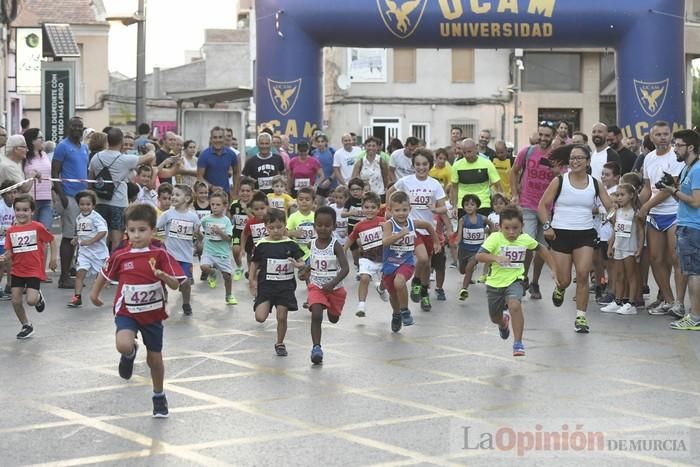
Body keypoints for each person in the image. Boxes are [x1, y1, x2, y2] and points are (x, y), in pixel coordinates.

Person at [90, 204, 185, 418]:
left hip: (152, 314)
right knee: (122, 344)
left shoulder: (160, 253)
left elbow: (175, 284)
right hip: (127, 311)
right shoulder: (121, 254)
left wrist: (163, 276)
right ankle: (130, 352)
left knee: (155, 360)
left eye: (142, 230)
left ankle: (159, 395)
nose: (136, 235)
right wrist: (94, 295)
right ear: (126, 231)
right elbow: (105, 275)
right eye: (132, 230)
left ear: (152, 230)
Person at [538, 144, 613, 334]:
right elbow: (543, 205)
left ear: (588, 162)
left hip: (585, 234)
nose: (575, 161)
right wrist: (547, 226)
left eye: (580, 158)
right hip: (561, 233)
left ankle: (581, 317)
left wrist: (613, 217)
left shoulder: (595, 183)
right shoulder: (559, 181)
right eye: (572, 158)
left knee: (582, 274)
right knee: (564, 279)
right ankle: (560, 288)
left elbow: (610, 206)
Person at [476, 206, 559, 356]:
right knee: (495, 317)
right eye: (507, 228)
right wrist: (496, 258)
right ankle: (503, 323)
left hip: (516, 280)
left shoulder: (524, 239)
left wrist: (553, 270)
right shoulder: (495, 238)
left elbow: (542, 249)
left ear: (522, 226)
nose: (511, 232)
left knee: (515, 305)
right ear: (500, 227)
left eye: (515, 228)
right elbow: (479, 256)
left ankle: (518, 343)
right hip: (495, 283)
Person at [388, 148, 448, 312]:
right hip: (411, 228)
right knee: (421, 259)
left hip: (429, 228)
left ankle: (424, 292)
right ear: (413, 165)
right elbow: (390, 192)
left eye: (424, 164)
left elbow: (444, 208)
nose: (421, 168)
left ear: (430, 165)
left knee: (427, 265)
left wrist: (436, 210)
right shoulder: (405, 181)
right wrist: (389, 210)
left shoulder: (435, 184)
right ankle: (415, 281)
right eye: (418, 164)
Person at [638, 121, 686, 317]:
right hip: (655, 217)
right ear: (651, 137)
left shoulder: (676, 156)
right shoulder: (648, 158)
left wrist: (646, 207)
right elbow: (647, 189)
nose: (663, 138)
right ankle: (667, 300)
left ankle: (679, 303)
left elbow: (670, 187)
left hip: (674, 212)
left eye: (666, 134)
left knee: (675, 259)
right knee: (655, 258)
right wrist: (635, 206)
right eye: (658, 134)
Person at [509, 121, 557, 300]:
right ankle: (523, 278)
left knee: (542, 248)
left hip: (548, 208)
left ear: (553, 137)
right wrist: (514, 194)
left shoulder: (557, 156)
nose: (543, 138)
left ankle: (535, 282)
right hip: (527, 205)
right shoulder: (527, 152)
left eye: (547, 135)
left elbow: (562, 179)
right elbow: (513, 171)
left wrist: (557, 170)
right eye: (541, 135)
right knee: (527, 244)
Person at [658, 128, 700, 330]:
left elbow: (695, 202)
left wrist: (673, 190)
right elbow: (682, 198)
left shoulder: (698, 169)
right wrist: (670, 189)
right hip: (685, 224)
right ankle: (694, 315)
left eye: (678, 145)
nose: (675, 149)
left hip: (693, 227)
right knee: (691, 271)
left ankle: (695, 316)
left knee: (694, 273)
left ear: (690, 147)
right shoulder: (686, 169)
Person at [249, 208, 306, 357]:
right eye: (271, 228)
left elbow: (301, 262)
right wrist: (252, 281)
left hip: (285, 287)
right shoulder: (261, 244)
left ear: (285, 226)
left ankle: (280, 343)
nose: (275, 231)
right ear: (266, 227)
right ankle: (265, 304)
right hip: (266, 286)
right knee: (260, 318)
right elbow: (254, 264)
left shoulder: (290, 244)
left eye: (279, 227)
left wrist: (299, 265)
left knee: (282, 316)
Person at [382, 191, 439, 332]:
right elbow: (385, 242)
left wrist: (436, 241)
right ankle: (396, 313)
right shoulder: (389, 225)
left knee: (399, 282)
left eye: (404, 210)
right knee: (393, 294)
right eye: (397, 210)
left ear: (410, 209)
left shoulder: (412, 223)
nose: (401, 213)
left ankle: (405, 311)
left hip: (406, 262)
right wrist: (399, 234)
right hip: (389, 264)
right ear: (390, 210)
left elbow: (428, 226)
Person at [89, 128, 155, 251]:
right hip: (118, 203)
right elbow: (149, 157)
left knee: (100, 238)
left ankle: (99, 266)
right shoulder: (126, 159)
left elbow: (90, 181)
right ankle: (113, 266)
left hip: (100, 202)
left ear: (107, 141)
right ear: (121, 142)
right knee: (116, 240)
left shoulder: (96, 157)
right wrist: (151, 148)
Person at [1, 194, 57, 339]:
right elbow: (9, 251)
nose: (21, 213)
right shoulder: (11, 231)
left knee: (31, 301)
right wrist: (4, 257)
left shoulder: (37, 227)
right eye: (18, 209)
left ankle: (38, 298)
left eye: (25, 210)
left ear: (32, 212)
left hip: (33, 270)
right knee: (15, 300)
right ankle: (26, 325)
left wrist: (53, 259)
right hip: (17, 270)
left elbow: (51, 240)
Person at [299, 206, 350, 364]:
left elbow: (346, 268)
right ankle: (316, 348)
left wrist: (333, 283)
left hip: (334, 289)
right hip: (316, 287)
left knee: (333, 319)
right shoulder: (311, 244)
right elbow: (313, 262)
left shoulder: (336, 246)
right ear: (314, 226)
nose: (323, 228)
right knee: (316, 314)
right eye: (319, 225)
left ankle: (332, 309)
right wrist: (306, 271)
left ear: (334, 226)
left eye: (327, 225)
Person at [52, 117, 89, 289]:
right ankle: (63, 277)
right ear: (68, 127)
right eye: (73, 126)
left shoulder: (84, 148)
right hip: (69, 196)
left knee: (77, 236)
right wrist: (62, 196)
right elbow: (55, 173)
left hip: (82, 197)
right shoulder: (62, 147)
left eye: (79, 126)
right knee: (68, 237)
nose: (76, 129)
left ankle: (70, 271)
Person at [157, 185, 201, 315]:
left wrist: (200, 235)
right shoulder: (167, 215)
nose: (173, 197)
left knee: (185, 283)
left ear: (187, 198)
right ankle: (163, 291)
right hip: (169, 256)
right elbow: (155, 228)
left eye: (177, 195)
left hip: (186, 257)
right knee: (162, 277)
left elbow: (199, 234)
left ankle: (186, 303)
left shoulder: (193, 217)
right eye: (173, 195)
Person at [601, 183, 644, 315]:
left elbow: (641, 231)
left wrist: (640, 248)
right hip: (618, 247)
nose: (619, 198)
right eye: (617, 195)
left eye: (622, 195)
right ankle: (618, 300)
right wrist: (610, 245)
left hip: (630, 248)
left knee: (631, 275)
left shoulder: (635, 213)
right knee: (619, 275)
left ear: (631, 195)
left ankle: (631, 303)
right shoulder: (617, 212)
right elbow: (615, 230)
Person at [345, 192, 388, 317]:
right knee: (364, 278)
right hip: (366, 257)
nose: (370, 210)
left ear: (378, 208)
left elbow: (390, 234)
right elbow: (351, 238)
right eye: (367, 207)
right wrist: (343, 250)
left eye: (373, 207)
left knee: (385, 280)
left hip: (382, 258)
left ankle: (381, 289)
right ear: (362, 208)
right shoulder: (359, 225)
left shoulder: (383, 221)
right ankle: (361, 306)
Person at [68, 190, 109, 308]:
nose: (85, 207)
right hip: (84, 253)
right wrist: (76, 239)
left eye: (88, 204)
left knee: (101, 277)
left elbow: (103, 231)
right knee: (80, 273)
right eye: (82, 204)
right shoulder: (79, 218)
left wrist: (91, 241)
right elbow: (80, 232)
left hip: (98, 253)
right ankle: (77, 297)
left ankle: (97, 295)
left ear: (93, 205)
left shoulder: (96, 218)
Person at [199, 191, 237, 305]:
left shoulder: (226, 221)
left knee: (227, 276)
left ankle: (229, 295)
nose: (214, 207)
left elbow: (228, 239)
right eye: (212, 204)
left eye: (218, 205)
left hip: (222, 253)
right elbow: (200, 231)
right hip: (209, 251)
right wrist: (199, 234)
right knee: (203, 266)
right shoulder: (206, 219)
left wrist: (220, 232)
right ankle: (212, 273)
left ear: (225, 206)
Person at [450, 138, 501, 217]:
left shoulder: (487, 163)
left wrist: (499, 205)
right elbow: (454, 188)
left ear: (476, 149)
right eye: (464, 152)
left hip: (483, 204)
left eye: (469, 151)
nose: (467, 155)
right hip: (463, 205)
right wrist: (454, 206)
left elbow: (497, 185)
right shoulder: (457, 165)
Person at [457, 194, 493, 300]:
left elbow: (491, 225)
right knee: (463, 270)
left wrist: (491, 234)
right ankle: (469, 273)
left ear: (477, 207)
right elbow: (459, 234)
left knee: (469, 267)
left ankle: (464, 289)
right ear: (463, 207)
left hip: (477, 251)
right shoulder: (462, 220)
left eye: (472, 204)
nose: (469, 207)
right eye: (466, 204)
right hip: (464, 250)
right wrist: (456, 242)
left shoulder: (482, 218)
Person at [22, 129, 53, 230]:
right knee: (31, 231)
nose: (43, 140)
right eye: (40, 137)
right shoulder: (24, 157)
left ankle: (43, 247)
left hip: (46, 198)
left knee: (45, 229)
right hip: (30, 199)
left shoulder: (44, 155)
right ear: (32, 140)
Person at [197, 127, 240, 196]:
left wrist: (235, 192)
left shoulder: (231, 154)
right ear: (211, 139)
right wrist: (212, 187)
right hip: (207, 196)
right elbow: (199, 177)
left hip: (226, 194)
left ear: (224, 139)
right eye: (215, 137)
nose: (218, 140)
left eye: (220, 137)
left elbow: (236, 173)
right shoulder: (204, 155)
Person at [230, 177, 255, 281]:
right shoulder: (234, 204)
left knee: (250, 254)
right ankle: (239, 266)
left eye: (248, 191)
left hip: (250, 234)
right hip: (237, 232)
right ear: (238, 192)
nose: (245, 193)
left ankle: (250, 272)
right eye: (242, 191)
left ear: (252, 192)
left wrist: (245, 209)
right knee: (235, 250)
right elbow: (230, 217)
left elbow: (254, 219)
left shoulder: (254, 205)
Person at [351, 137, 389, 202]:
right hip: (364, 195)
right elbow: (354, 179)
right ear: (365, 147)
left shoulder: (381, 162)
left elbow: (386, 178)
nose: (371, 148)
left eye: (373, 146)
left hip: (379, 194)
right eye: (369, 145)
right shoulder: (360, 162)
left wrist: (387, 193)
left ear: (377, 147)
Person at [286, 187, 316, 261]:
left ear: (313, 201)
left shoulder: (316, 216)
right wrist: (292, 233)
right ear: (297, 201)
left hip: (315, 252)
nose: (304, 201)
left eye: (307, 199)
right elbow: (284, 233)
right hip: (300, 254)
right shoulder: (293, 217)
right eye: (301, 199)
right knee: (303, 272)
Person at [0, 180, 17, 300]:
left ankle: (10, 286)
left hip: (10, 241)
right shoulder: (1, 207)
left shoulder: (16, 208)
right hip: (1, 240)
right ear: (3, 194)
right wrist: (9, 230)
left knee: (12, 264)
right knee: (2, 264)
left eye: (14, 192)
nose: (12, 195)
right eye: (9, 193)